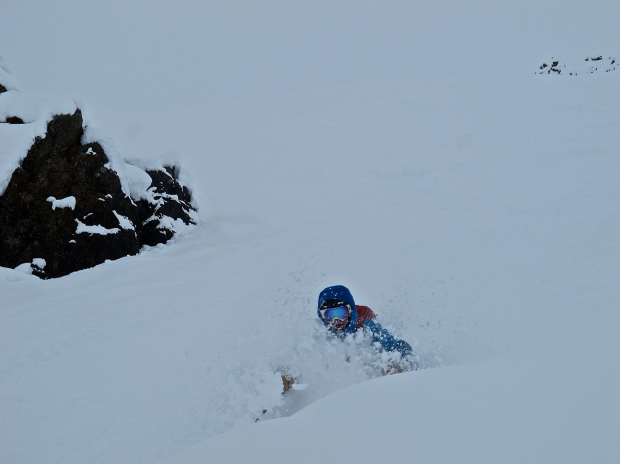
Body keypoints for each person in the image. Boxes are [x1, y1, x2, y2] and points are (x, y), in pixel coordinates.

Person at [317, 285, 413, 358]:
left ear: (350, 311)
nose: (336, 320)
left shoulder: (367, 328)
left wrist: (397, 360)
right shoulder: (321, 335)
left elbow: (399, 347)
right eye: (330, 316)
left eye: (341, 313)